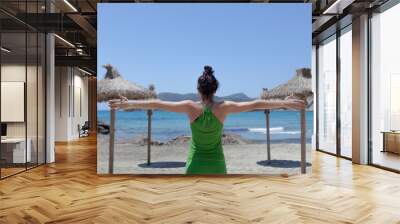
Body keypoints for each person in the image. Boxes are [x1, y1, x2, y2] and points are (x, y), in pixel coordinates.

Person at [109, 66, 305, 174]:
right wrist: (283, 103)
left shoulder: (189, 106)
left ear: (198, 90)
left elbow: (157, 104)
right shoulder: (224, 108)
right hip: (217, 165)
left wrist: (129, 104)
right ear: (215, 89)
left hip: (194, 165)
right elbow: (256, 104)